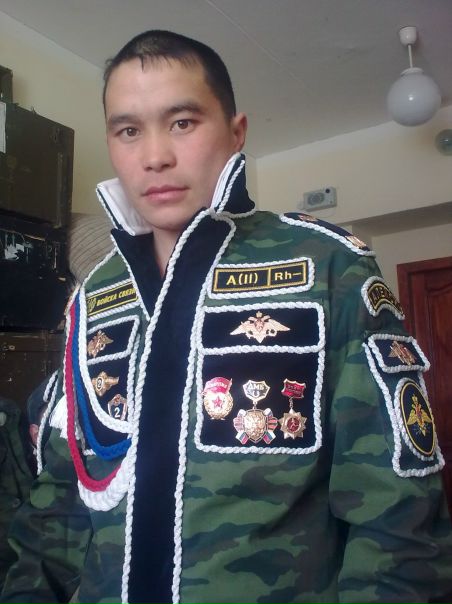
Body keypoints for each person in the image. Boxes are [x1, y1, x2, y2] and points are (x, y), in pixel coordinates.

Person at [2, 29, 452, 604]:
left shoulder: (326, 265)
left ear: (236, 132)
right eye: (128, 130)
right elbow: (60, 505)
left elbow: (397, 515)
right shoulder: (94, 297)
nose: (155, 156)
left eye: (182, 122)